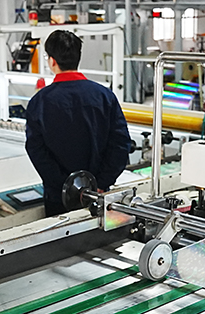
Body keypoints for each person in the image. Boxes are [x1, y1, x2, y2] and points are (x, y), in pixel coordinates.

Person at [25, 30, 131, 217]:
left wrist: (67, 186)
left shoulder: (40, 102)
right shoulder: (104, 96)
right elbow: (121, 144)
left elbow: (36, 150)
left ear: (52, 61)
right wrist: (100, 183)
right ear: (78, 58)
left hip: (59, 198)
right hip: (98, 196)